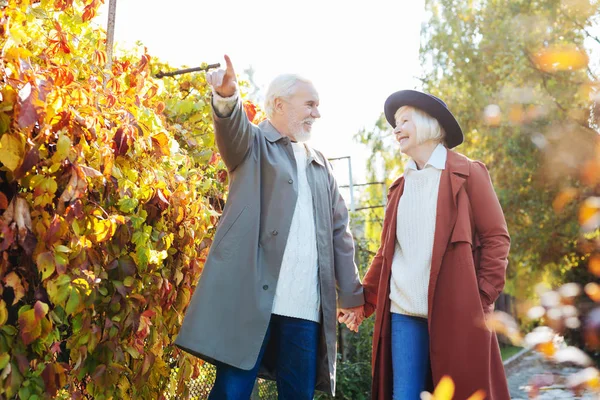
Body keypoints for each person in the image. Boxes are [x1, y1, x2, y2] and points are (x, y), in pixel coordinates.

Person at [174, 55, 365, 399]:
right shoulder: (254, 145)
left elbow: (340, 233)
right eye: (310, 104)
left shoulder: (321, 166)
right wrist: (227, 98)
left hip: (305, 309)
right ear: (279, 104)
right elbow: (232, 132)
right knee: (232, 392)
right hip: (252, 301)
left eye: (318, 106)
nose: (316, 114)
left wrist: (351, 295)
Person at [361, 90, 511, 400]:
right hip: (404, 312)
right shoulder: (398, 189)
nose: (396, 128)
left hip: (456, 310)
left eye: (405, 120)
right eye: (395, 123)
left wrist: (481, 298)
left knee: (461, 394)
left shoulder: (469, 173)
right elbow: (387, 254)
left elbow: (497, 239)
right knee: (404, 395)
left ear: (429, 124)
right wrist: (363, 300)